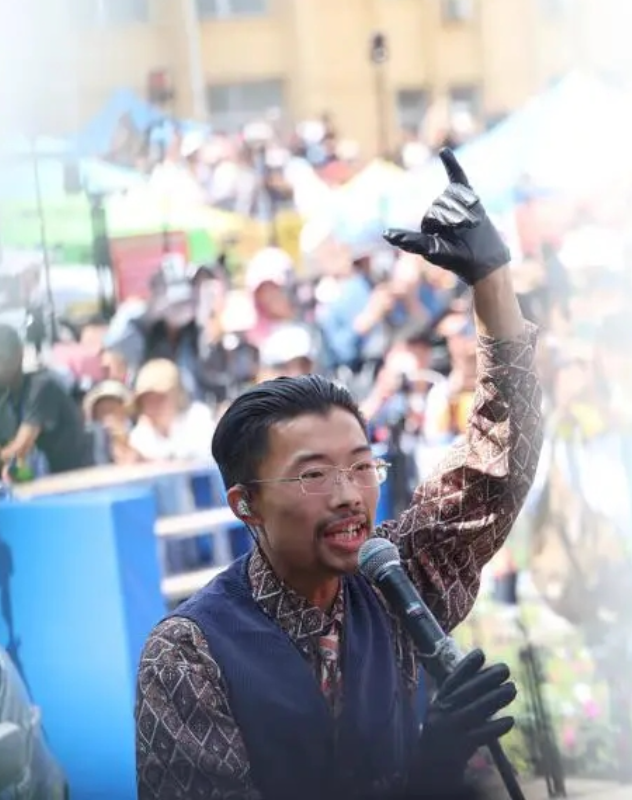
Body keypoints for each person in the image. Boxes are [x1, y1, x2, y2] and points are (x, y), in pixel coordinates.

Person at [135, 150, 543, 800]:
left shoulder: (392, 583)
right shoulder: (189, 655)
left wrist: (491, 278)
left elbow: (496, 470)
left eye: (361, 465)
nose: (351, 495)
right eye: (314, 475)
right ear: (246, 504)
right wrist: (428, 773)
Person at [0, 324, 90, 477]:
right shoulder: (3, 405)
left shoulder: (41, 387)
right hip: (44, 481)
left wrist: (2, 456)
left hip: (77, 478)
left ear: (19, 354)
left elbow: (20, 448)